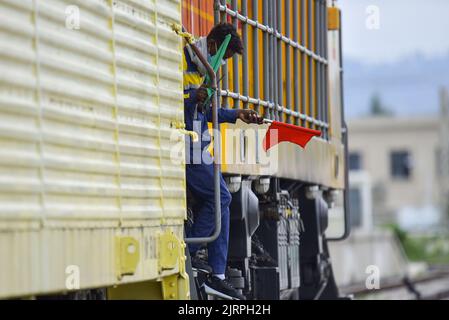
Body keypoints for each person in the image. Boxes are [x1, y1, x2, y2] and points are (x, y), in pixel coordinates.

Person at [183, 23, 262, 300]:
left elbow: (205, 112)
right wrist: (194, 96)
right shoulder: (181, 59)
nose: (225, 63)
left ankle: (216, 275)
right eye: (225, 56)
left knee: (223, 199)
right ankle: (187, 253)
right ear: (214, 46)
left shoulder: (207, 70)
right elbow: (167, 98)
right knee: (222, 199)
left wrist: (236, 114)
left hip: (199, 147)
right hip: (185, 145)